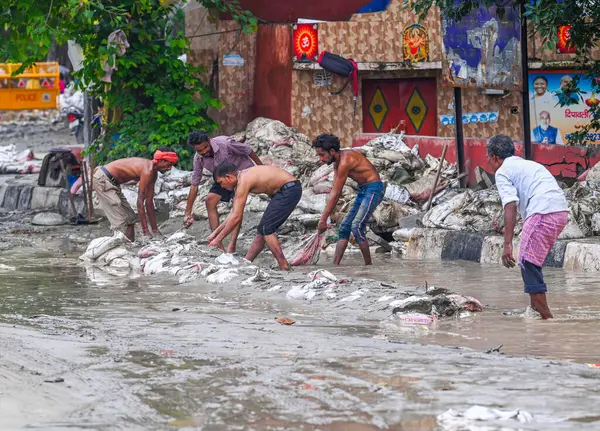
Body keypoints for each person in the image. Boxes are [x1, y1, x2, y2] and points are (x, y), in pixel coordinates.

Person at [486, 135, 569, 319]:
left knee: (527, 261)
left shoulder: (502, 171)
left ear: (494, 157)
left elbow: (510, 205)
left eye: (488, 157)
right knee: (531, 260)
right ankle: (535, 312)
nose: (488, 161)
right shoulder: (529, 164)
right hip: (560, 211)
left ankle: (546, 317)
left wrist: (507, 244)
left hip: (543, 211)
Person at [208, 163, 302, 270]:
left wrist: (218, 240)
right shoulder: (240, 181)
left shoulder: (244, 180)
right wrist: (215, 235)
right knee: (263, 228)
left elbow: (236, 218)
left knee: (266, 229)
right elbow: (233, 213)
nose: (222, 187)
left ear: (229, 177)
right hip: (284, 191)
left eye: (221, 183)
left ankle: (284, 265)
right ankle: (247, 262)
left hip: (289, 189)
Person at [184, 130, 262, 253]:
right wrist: (187, 213)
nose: (204, 151)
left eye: (205, 147)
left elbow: (248, 150)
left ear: (209, 141)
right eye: (199, 150)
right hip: (222, 178)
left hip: (242, 174)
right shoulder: (198, 159)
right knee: (210, 201)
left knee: (236, 206)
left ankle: (232, 244)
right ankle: (218, 244)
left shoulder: (225, 144)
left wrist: (261, 168)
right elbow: (194, 184)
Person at [312, 133, 384, 266]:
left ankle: (369, 267)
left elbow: (337, 192)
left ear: (332, 151)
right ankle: (335, 266)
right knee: (345, 226)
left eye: (322, 154)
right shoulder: (337, 163)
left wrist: (323, 219)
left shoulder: (345, 161)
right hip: (363, 190)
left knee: (357, 226)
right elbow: (335, 190)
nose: (321, 159)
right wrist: (327, 215)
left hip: (374, 189)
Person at [93, 148, 178, 242]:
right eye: (169, 164)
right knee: (120, 218)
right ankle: (120, 248)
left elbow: (149, 202)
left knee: (130, 218)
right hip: (103, 179)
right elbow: (140, 202)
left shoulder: (153, 173)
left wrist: (155, 230)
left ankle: (130, 245)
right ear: (161, 160)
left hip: (114, 183)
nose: (170, 168)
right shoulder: (147, 170)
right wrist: (146, 231)